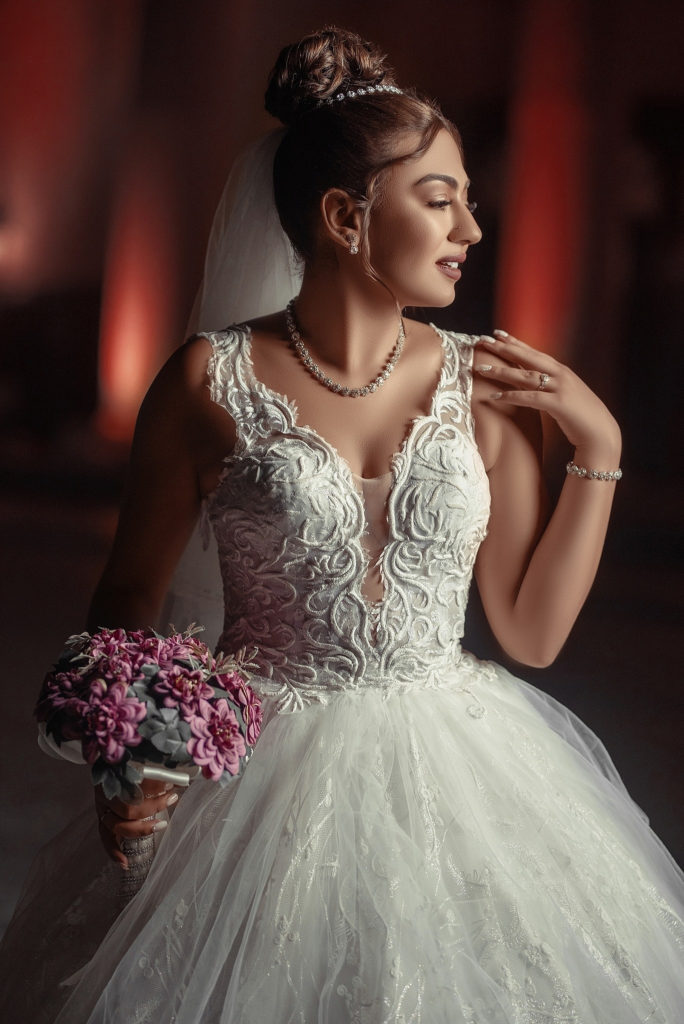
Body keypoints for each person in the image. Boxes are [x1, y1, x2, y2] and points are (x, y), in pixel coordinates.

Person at [2, 25, 683, 1024]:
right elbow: (127, 609)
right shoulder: (206, 380)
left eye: (469, 202)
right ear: (344, 216)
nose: (471, 231)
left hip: (461, 767)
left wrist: (599, 443)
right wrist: (129, 759)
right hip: (250, 784)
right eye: (440, 199)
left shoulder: (487, 387)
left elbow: (531, 632)